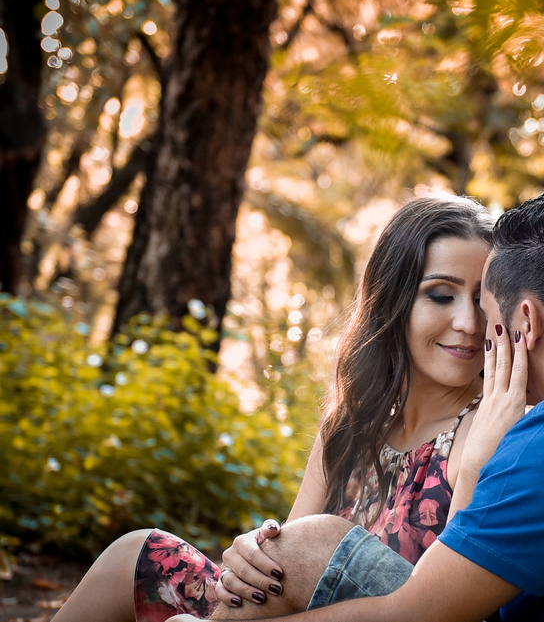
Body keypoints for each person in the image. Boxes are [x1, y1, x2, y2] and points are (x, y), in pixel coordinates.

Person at [170, 189, 544, 622]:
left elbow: (421, 613)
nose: (476, 328)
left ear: (524, 321)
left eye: (486, 308)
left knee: (309, 547)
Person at [54, 193, 495, 622]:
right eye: (441, 295)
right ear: (392, 301)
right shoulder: (352, 426)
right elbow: (287, 566)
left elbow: (447, 606)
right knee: (135, 554)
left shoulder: (487, 431)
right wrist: (257, 552)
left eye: (483, 299)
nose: (469, 323)